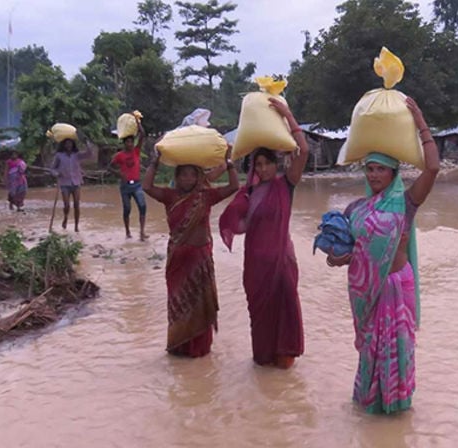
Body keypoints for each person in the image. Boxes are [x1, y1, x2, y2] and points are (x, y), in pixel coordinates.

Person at [326, 97, 440, 415]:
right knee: (371, 352)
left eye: (381, 170)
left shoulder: (407, 203)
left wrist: (420, 121)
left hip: (395, 287)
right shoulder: (357, 210)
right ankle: (371, 406)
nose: (374, 175)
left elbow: (432, 167)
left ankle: (397, 406)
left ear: (393, 173)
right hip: (371, 296)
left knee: (397, 349)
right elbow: (355, 252)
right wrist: (338, 258)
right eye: (370, 169)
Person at [218, 98, 310, 369]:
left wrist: (288, 115)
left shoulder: (286, 186)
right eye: (257, 165)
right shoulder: (249, 194)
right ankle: (264, 364)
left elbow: (302, 151)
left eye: (267, 163)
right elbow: (239, 226)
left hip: (281, 265)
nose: (263, 169)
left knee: (285, 315)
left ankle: (284, 360)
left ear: (276, 164)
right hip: (256, 267)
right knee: (260, 323)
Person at [142, 149, 239, 357]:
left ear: (198, 177)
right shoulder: (170, 196)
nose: (188, 178)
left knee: (200, 305)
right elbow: (147, 186)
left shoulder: (206, 196)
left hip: (200, 260)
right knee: (179, 304)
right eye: (183, 174)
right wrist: (154, 162)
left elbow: (234, 186)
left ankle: (200, 350)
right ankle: (179, 347)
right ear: (176, 177)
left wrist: (228, 162)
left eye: (192, 174)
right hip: (177, 262)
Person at [109, 121, 148, 241]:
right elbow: (109, 167)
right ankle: (127, 232)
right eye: (127, 142)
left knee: (142, 206)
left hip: (136, 184)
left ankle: (142, 232)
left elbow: (142, 134)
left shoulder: (136, 151)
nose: (130, 144)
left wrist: (138, 122)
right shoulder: (119, 156)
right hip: (125, 186)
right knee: (127, 209)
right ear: (124, 143)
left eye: (131, 142)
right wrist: (119, 174)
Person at [51, 134, 94, 232]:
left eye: (70, 144)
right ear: (64, 145)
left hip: (76, 182)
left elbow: (89, 154)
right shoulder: (59, 156)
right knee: (66, 205)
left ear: (73, 145)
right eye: (67, 144)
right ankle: (66, 217)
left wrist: (87, 142)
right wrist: (56, 173)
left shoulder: (77, 155)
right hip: (64, 183)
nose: (68, 146)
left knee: (76, 204)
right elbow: (53, 168)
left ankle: (76, 226)